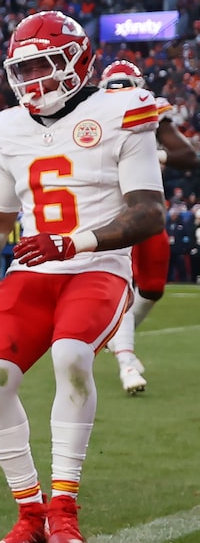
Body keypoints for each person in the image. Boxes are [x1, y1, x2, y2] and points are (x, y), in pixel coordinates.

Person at [0, 11, 166, 543]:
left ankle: (65, 510)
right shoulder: (8, 129)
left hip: (98, 266)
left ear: (78, 61)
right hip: (35, 269)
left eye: (47, 65)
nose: (35, 80)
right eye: (24, 69)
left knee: (73, 357)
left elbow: (149, 213)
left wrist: (75, 243)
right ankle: (30, 510)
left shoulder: (122, 111)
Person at [96, 60, 200, 394]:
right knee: (122, 284)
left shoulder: (150, 112)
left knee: (153, 287)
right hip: (111, 209)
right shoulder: (91, 114)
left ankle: (117, 337)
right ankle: (126, 360)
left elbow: (187, 156)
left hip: (147, 207)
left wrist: (150, 156)